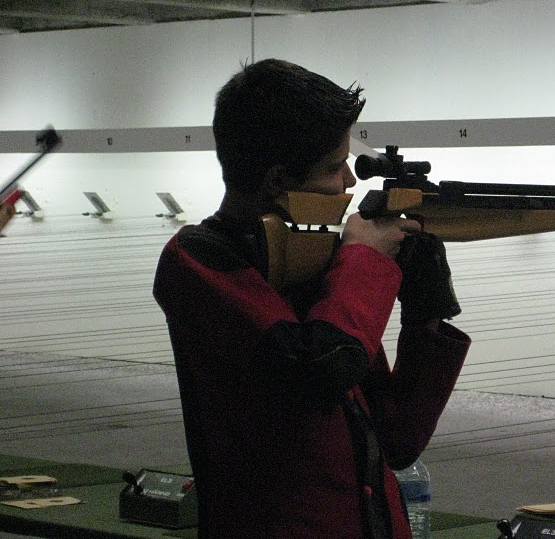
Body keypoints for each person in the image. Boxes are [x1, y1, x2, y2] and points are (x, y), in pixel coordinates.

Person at [153, 58, 471, 539]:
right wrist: (364, 260)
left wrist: (425, 307)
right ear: (277, 180)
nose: (349, 181)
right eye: (333, 166)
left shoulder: (313, 267)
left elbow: (397, 438)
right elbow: (319, 371)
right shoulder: (198, 260)